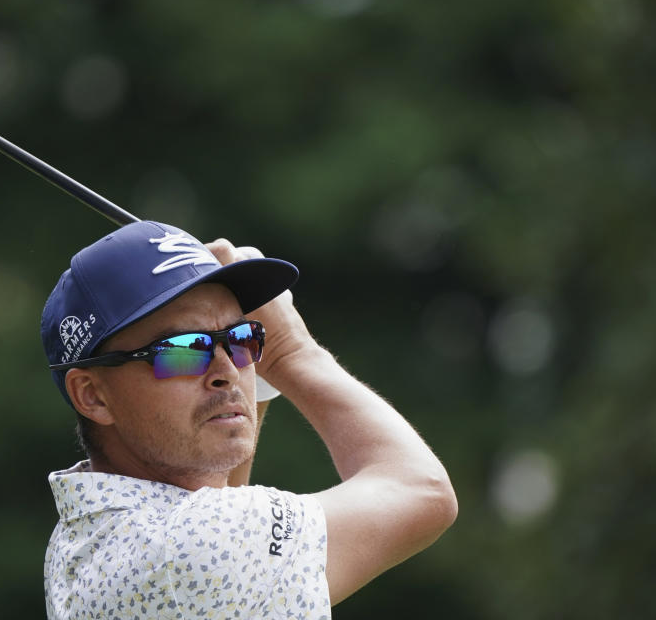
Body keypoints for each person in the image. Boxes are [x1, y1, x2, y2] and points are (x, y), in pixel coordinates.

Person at [40, 220, 457, 619]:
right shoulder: (186, 547)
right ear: (92, 395)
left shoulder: (83, 537)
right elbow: (423, 491)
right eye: (183, 348)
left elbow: (218, 508)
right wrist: (291, 352)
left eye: (240, 339)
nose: (227, 371)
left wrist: (260, 387)